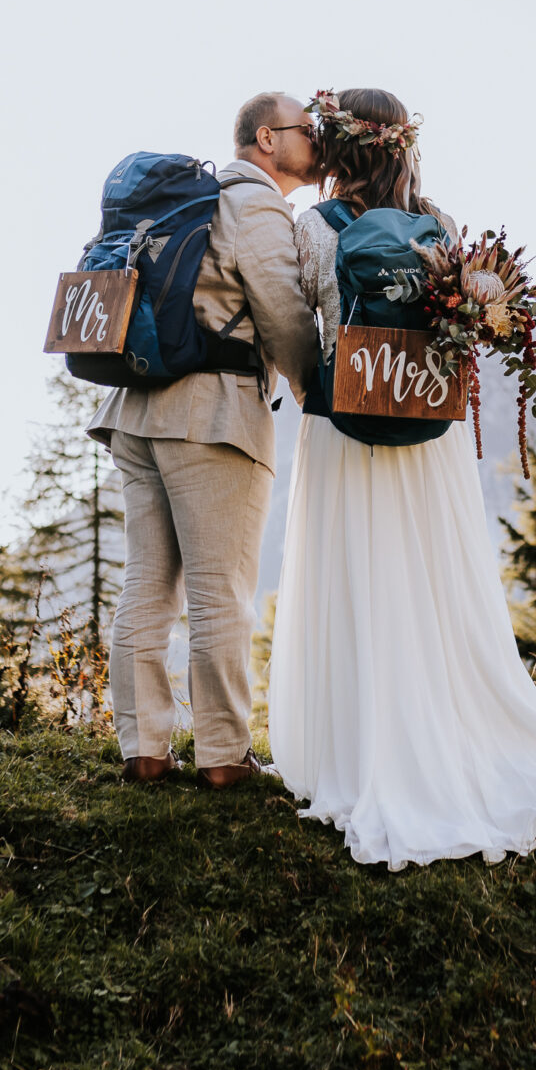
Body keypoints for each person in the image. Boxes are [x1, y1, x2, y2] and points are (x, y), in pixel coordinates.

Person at [269, 86, 536, 868]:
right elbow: (473, 329)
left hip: (343, 422)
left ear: (340, 148)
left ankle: (356, 749)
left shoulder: (313, 226)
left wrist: (317, 387)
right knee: (429, 587)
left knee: (356, 579)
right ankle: (445, 735)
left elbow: (302, 317)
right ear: (403, 145)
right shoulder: (440, 225)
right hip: (429, 430)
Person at [89, 92, 322, 786]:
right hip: (211, 417)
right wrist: (316, 392)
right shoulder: (254, 204)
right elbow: (282, 314)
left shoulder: (192, 199)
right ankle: (223, 755)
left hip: (137, 410)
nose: (317, 139)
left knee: (147, 585)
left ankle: (144, 748)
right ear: (266, 138)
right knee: (221, 592)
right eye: (306, 129)